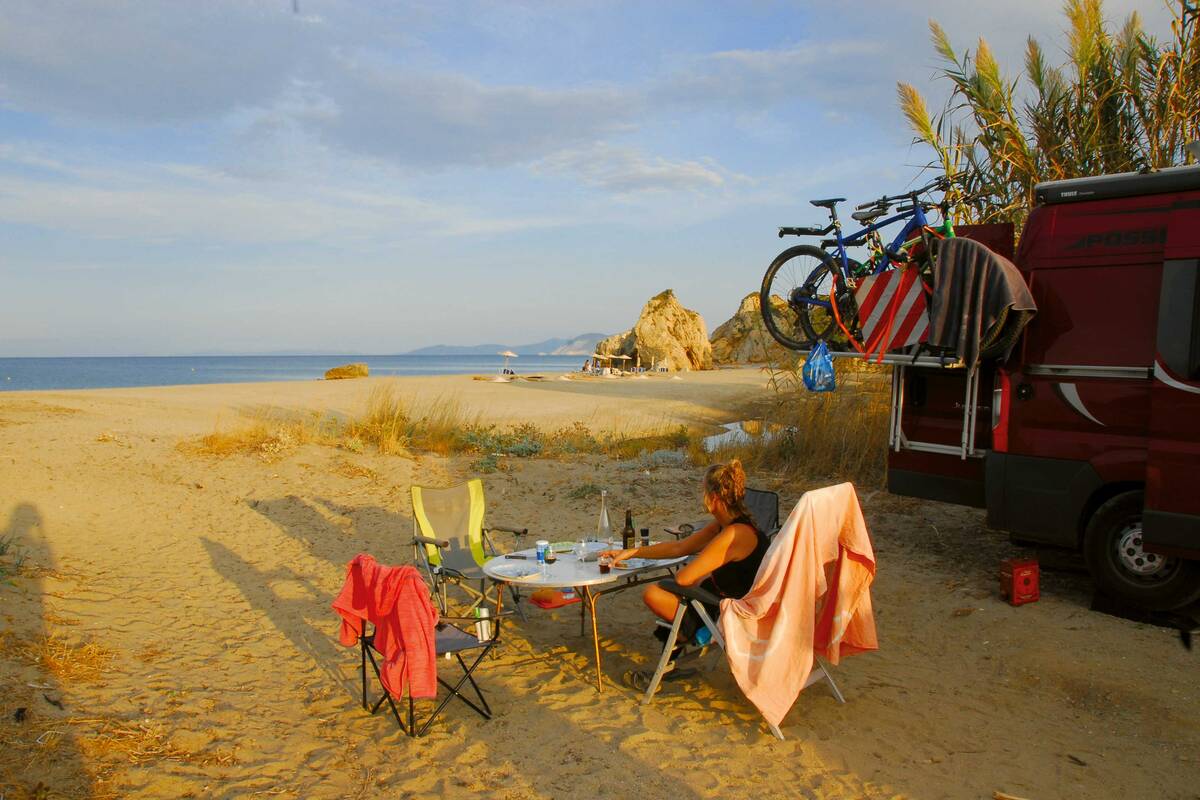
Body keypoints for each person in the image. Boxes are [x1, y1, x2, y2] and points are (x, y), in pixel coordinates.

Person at [600, 459, 769, 654]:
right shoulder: (725, 525)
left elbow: (683, 577)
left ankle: (693, 633)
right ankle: (679, 636)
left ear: (713, 497)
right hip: (723, 595)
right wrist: (632, 552)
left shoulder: (735, 534)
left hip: (730, 611)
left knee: (653, 593)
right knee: (684, 587)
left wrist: (700, 573)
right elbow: (679, 548)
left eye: (703, 491)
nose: (702, 496)